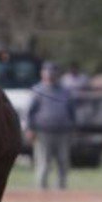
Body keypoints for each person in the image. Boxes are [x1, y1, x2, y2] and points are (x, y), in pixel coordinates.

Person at [27, 62, 76, 190]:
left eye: (53, 72)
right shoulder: (37, 90)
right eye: (47, 72)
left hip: (63, 131)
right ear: (42, 74)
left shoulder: (65, 91)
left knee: (63, 161)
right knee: (43, 161)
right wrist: (30, 129)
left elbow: (72, 111)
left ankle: (62, 186)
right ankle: (42, 188)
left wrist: (73, 127)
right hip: (43, 131)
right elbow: (30, 112)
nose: (50, 75)